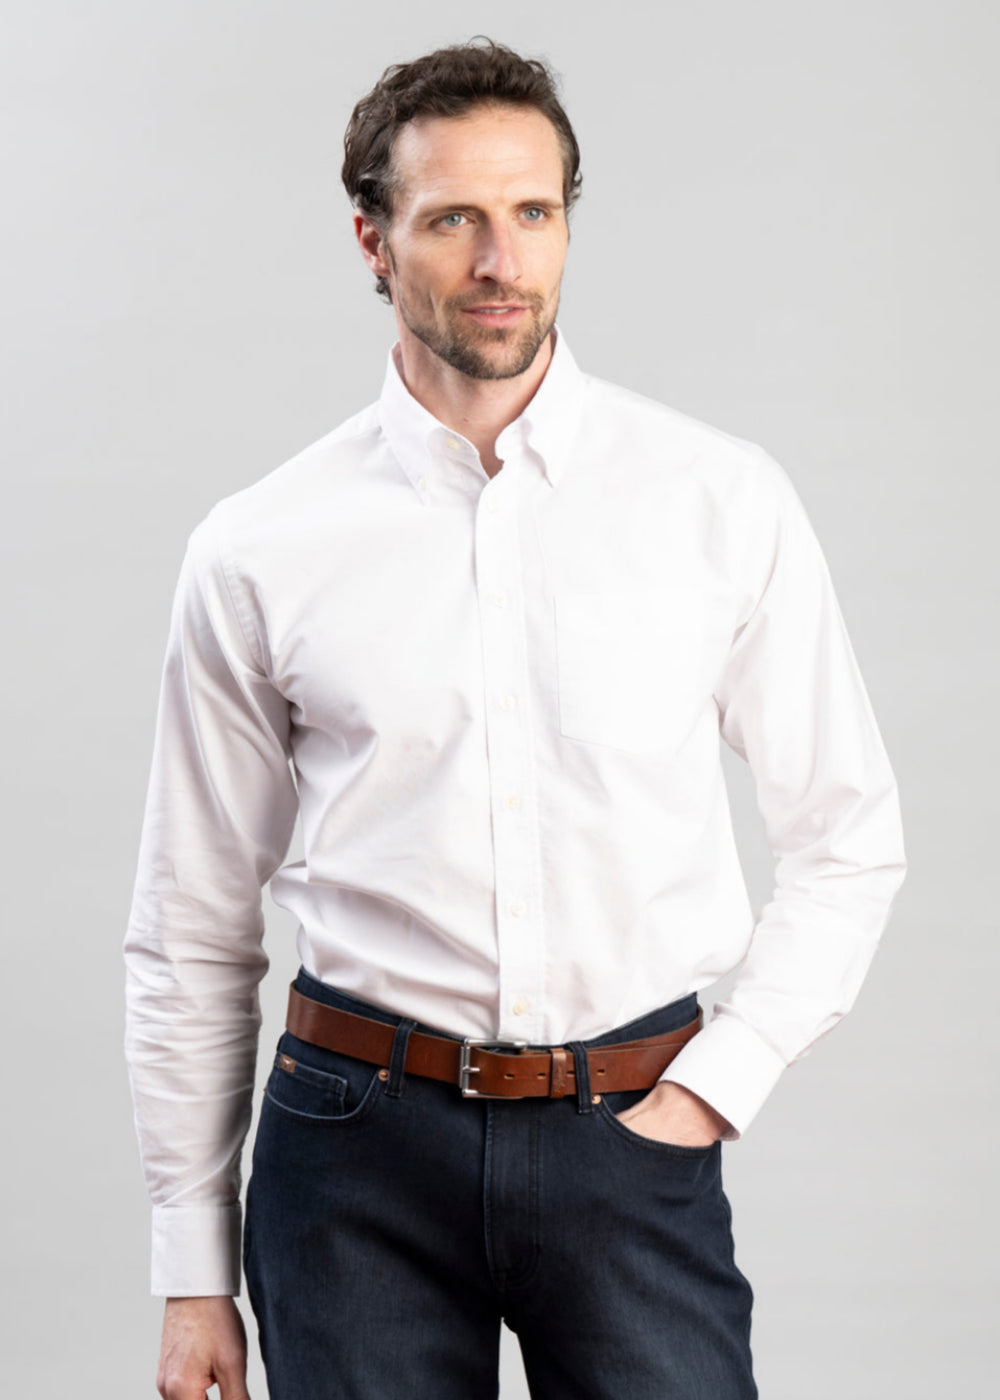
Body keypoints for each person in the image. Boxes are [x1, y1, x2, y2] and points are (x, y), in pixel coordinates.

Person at [125, 38, 906, 1400]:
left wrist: (719, 1082)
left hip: (634, 1131)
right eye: (453, 220)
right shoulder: (260, 546)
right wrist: (193, 1271)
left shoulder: (718, 502)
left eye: (533, 212)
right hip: (352, 1153)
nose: (501, 260)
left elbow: (851, 838)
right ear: (373, 242)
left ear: (567, 226)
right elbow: (191, 919)